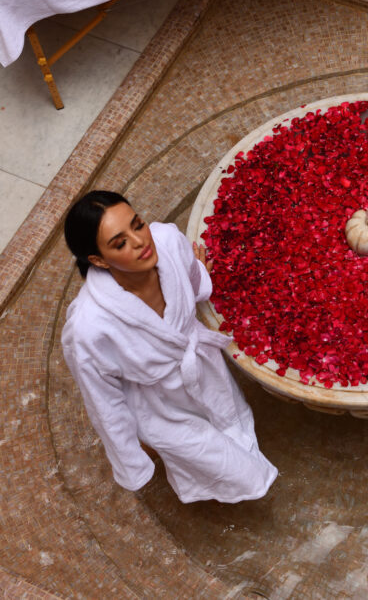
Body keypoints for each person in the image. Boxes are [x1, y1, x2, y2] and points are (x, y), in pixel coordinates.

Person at [60, 190, 277, 503]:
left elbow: (188, 279)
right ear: (98, 260)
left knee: (234, 431)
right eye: (120, 243)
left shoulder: (168, 241)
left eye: (138, 224)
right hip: (159, 407)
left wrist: (197, 272)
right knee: (237, 471)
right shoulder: (88, 327)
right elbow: (103, 401)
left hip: (204, 370)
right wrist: (131, 460)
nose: (140, 242)